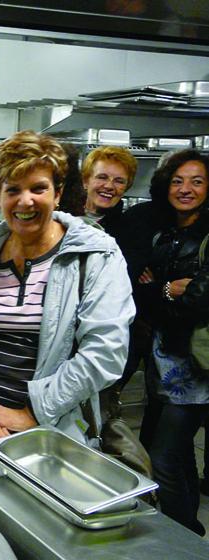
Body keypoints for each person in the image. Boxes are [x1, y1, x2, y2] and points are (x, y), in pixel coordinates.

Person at [0, 130, 134, 443]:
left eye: (38, 188)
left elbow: (105, 352)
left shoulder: (96, 255)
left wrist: (33, 412)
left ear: (57, 193)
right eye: (12, 189)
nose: (25, 200)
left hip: (52, 430)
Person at [133, 149, 209, 535]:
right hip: (161, 363)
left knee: (162, 459)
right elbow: (144, 295)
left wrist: (157, 294)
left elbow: (198, 302)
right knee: (179, 458)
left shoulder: (208, 238)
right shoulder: (163, 234)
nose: (186, 189)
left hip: (193, 373)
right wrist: (165, 291)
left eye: (197, 181)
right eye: (178, 181)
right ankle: (192, 529)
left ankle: (181, 538)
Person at [81, 145, 137, 235]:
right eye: (102, 177)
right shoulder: (58, 216)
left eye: (119, 181)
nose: (109, 186)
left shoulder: (130, 231)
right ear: (85, 181)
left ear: (127, 187)